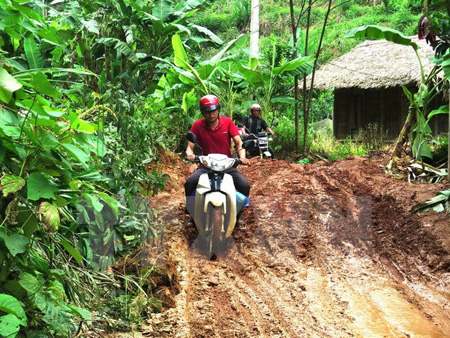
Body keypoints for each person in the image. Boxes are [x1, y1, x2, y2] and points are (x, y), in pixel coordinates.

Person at [185, 95, 250, 199]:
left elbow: (238, 142)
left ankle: (241, 211)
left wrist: (242, 156)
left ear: (218, 109)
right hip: (206, 165)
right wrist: (190, 154)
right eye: (207, 111)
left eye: (213, 110)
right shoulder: (197, 125)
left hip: (226, 165)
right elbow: (190, 146)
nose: (211, 114)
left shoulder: (228, 122)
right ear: (202, 112)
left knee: (244, 185)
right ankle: (190, 208)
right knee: (190, 183)